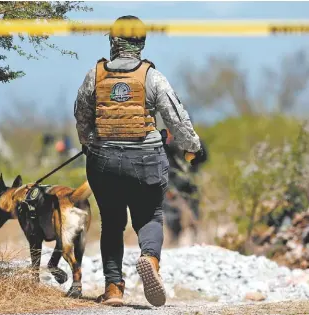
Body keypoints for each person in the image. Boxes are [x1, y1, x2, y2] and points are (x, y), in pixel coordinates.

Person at [74, 16, 206, 307]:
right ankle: (150, 260)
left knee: (111, 222)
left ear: (113, 41)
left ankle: (113, 289)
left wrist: (88, 143)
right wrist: (192, 147)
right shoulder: (152, 76)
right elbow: (177, 118)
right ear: (141, 43)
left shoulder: (94, 75)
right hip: (145, 159)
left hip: (103, 160)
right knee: (149, 217)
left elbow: (82, 117)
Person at [160, 129, 208, 243]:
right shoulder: (166, 143)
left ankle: (195, 237)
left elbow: (204, 158)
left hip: (190, 181)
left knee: (194, 208)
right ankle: (175, 239)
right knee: (172, 211)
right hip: (173, 181)